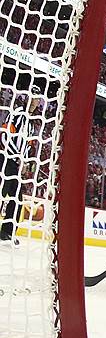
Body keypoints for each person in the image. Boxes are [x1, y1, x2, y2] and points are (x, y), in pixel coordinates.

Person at [0, 84, 43, 245]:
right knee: (1, 193)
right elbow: (4, 136)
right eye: (32, 97)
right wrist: (18, 157)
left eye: (37, 99)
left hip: (16, 166)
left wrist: (24, 160)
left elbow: (27, 146)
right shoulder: (17, 113)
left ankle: (7, 233)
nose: (34, 101)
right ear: (27, 98)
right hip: (5, 161)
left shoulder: (31, 124)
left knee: (16, 199)